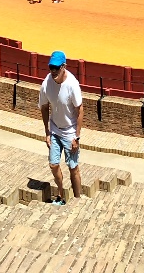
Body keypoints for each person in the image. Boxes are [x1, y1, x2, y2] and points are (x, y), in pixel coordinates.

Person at [38, 50, 82, 204]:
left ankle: (77, 199)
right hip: (55, 129)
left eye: (57, 68)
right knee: (53, 164)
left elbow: (80, 110)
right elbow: (44, 107)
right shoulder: (46, 83)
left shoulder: (72, 84)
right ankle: (61, 195)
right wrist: (47, 133)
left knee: (73, 167)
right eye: (51, 67)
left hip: (70, 132)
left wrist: (76, 136)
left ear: (64, 66)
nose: (53, 71)